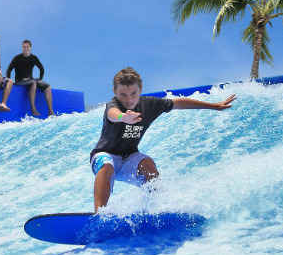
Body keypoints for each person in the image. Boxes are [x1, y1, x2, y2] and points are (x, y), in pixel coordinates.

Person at [90, 67, 236, 212]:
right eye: (123, 94)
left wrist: (215, 106)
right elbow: (111, 114)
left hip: (129, 156)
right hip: (105, 155)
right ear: (115, 92)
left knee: (148, 164)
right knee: (107, 166)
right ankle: (99, 213)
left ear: (140, 90)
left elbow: (178, 103)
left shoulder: (150, 104)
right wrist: (123, 117)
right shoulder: (114, 105)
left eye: (133, 93)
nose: (129, 100)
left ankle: (155, 209)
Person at [6, 40, 55, 117]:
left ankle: (51, 112)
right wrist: (8, 81)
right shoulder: (17, 58)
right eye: (24, 47)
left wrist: (40, 79)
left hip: (30, 80)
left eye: (27, 47)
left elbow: (41, 69)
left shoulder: (34, 58)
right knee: (33, 83)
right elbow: (9, 69)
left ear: (30, 48)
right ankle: (33, 109)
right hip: (20, 80)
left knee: (47, 86)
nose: (25, 49)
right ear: (22, 47)